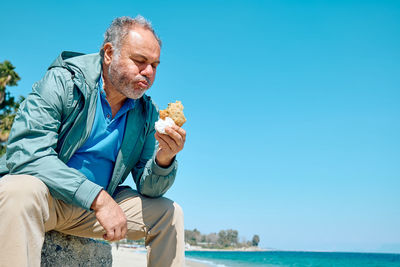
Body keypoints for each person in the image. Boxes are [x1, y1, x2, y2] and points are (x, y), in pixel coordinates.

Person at [0, 15, 186, 267]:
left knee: (169, 213)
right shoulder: (63, 82)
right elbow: (26, 153)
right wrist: (97, 198)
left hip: (94, 210)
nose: (149, 73)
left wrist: (164, 159)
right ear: (109, 53)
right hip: (48, 198)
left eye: (155, 64)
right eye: (140, 61)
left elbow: (149, 189)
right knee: (16, 190)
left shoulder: (146, 112)